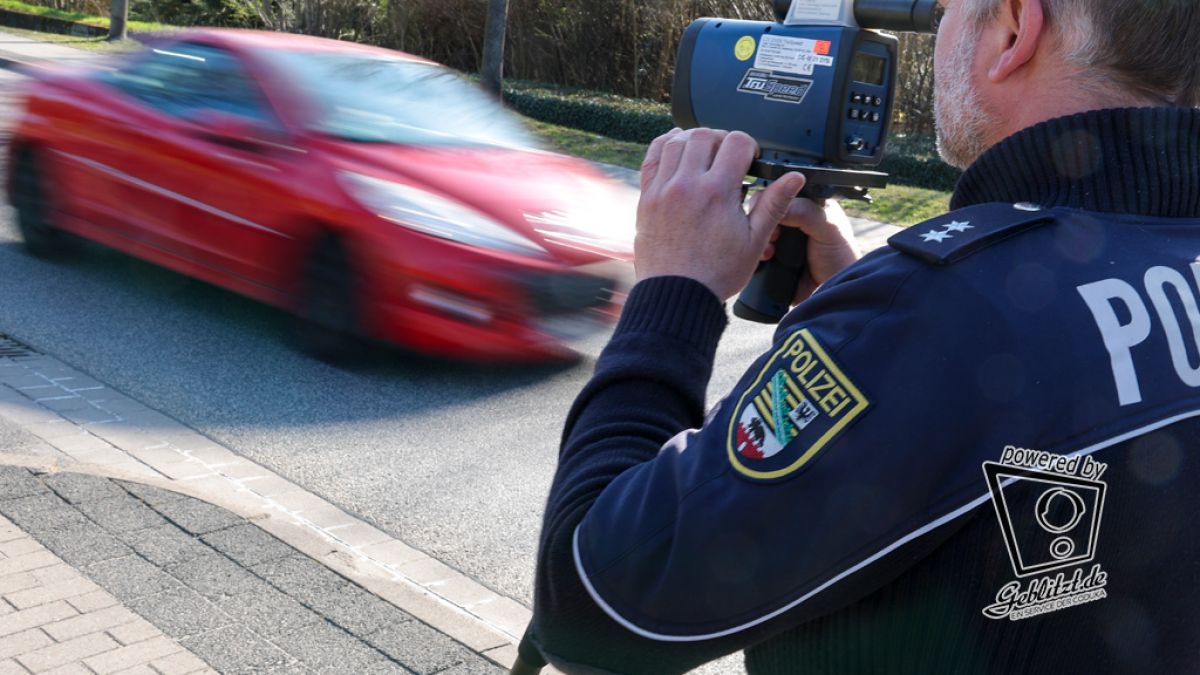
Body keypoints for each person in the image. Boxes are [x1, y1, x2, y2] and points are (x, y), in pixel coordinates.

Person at [530, 0, 1200, 672]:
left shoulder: (939, 312)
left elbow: (591, 607)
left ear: (1016, 29)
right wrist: (861, 320)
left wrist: (672, 290)